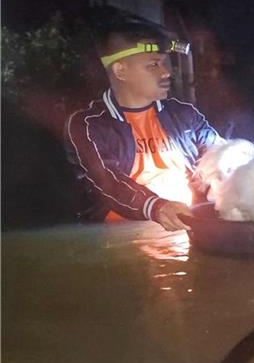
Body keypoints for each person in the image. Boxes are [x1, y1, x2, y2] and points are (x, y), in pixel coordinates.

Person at [65, 22, 222, 231]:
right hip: (122, 238)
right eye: (154, 65)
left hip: (188, 226)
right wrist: (156, 207)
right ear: (121, 70)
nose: (166, 73)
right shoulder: (88, 125)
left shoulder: (183, 114)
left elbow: (220, 153)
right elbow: (106, 181)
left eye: (166, 63)